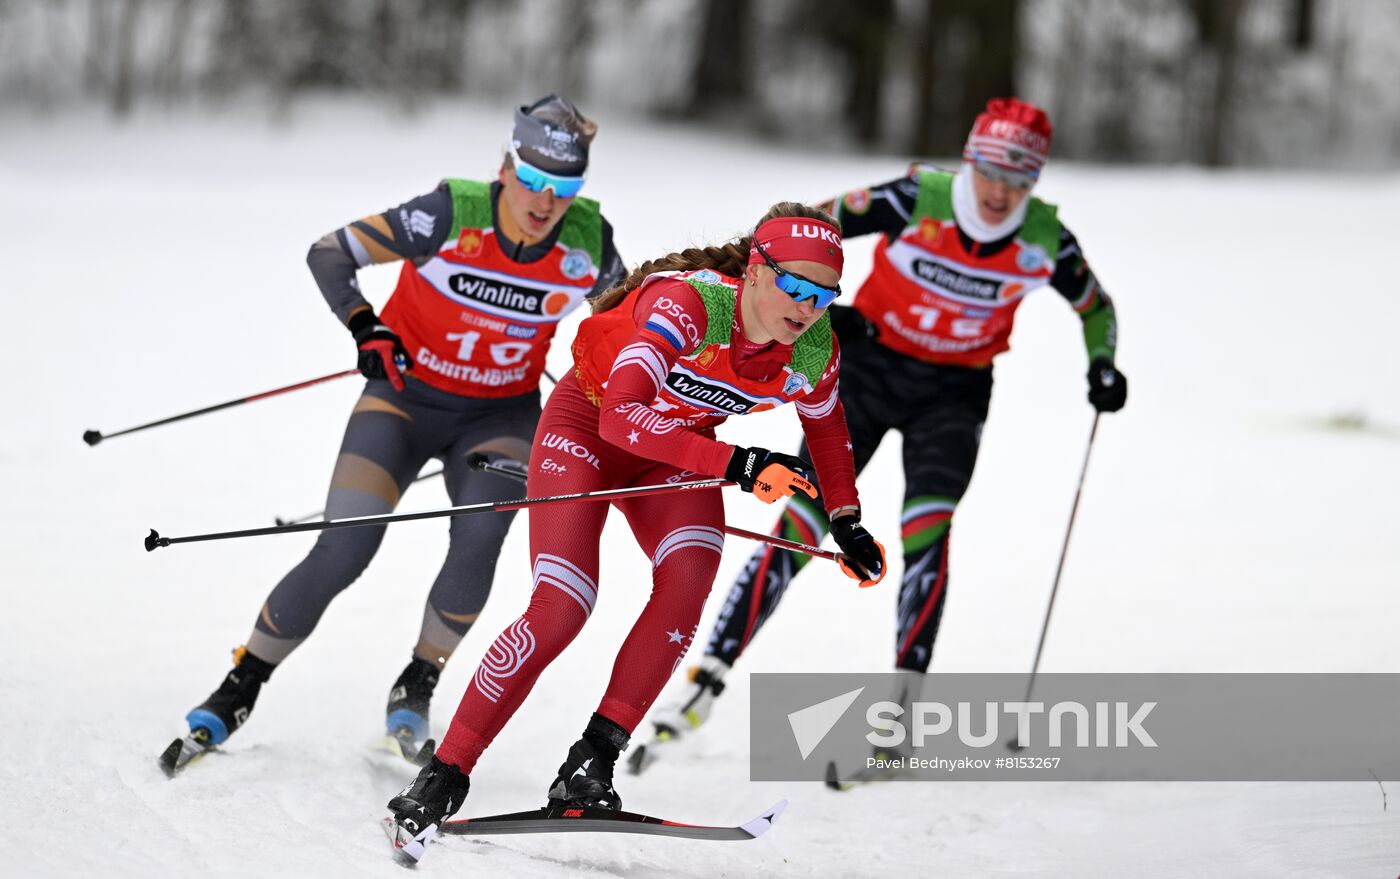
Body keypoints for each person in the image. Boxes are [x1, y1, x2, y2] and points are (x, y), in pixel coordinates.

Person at [631, 97, 1128, 770]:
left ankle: (902, 714)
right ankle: (704, 682)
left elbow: (1096, 307)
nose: (1001, 189)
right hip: (866, 371)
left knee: (928, 524)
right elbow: (801, 229)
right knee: (806, 517)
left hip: (953, 392)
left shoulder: (1043, 238)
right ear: (972, 158)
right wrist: (813, 307)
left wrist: (1103, 365)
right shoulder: (919, 195)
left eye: (1020, 178)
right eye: (990, 170)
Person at [383, 202, 888, 858]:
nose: (805, 306)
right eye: (793, 284)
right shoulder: (688, 305)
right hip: (587, 428)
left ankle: (590, 764)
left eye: (823, 295)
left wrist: (845, 518)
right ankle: (442, 776)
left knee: (687, 582)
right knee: (563, 605)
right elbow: (622, 417)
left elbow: (826, 429)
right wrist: (739, 463)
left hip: (674, 451)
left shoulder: (813, 348)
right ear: (757, 272)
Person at [173, 95, 626, 760]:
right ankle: (240, 683)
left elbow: (627, 327)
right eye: (531, 181)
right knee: (345, 547)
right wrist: (366, 324)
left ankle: (418, 680)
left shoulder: (589, 241)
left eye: (562, 190)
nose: (543, 202)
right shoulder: (448, 212)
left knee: (479, 540)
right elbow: (328, 252)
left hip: (501, 416)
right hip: (403, 400)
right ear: (505, 167)